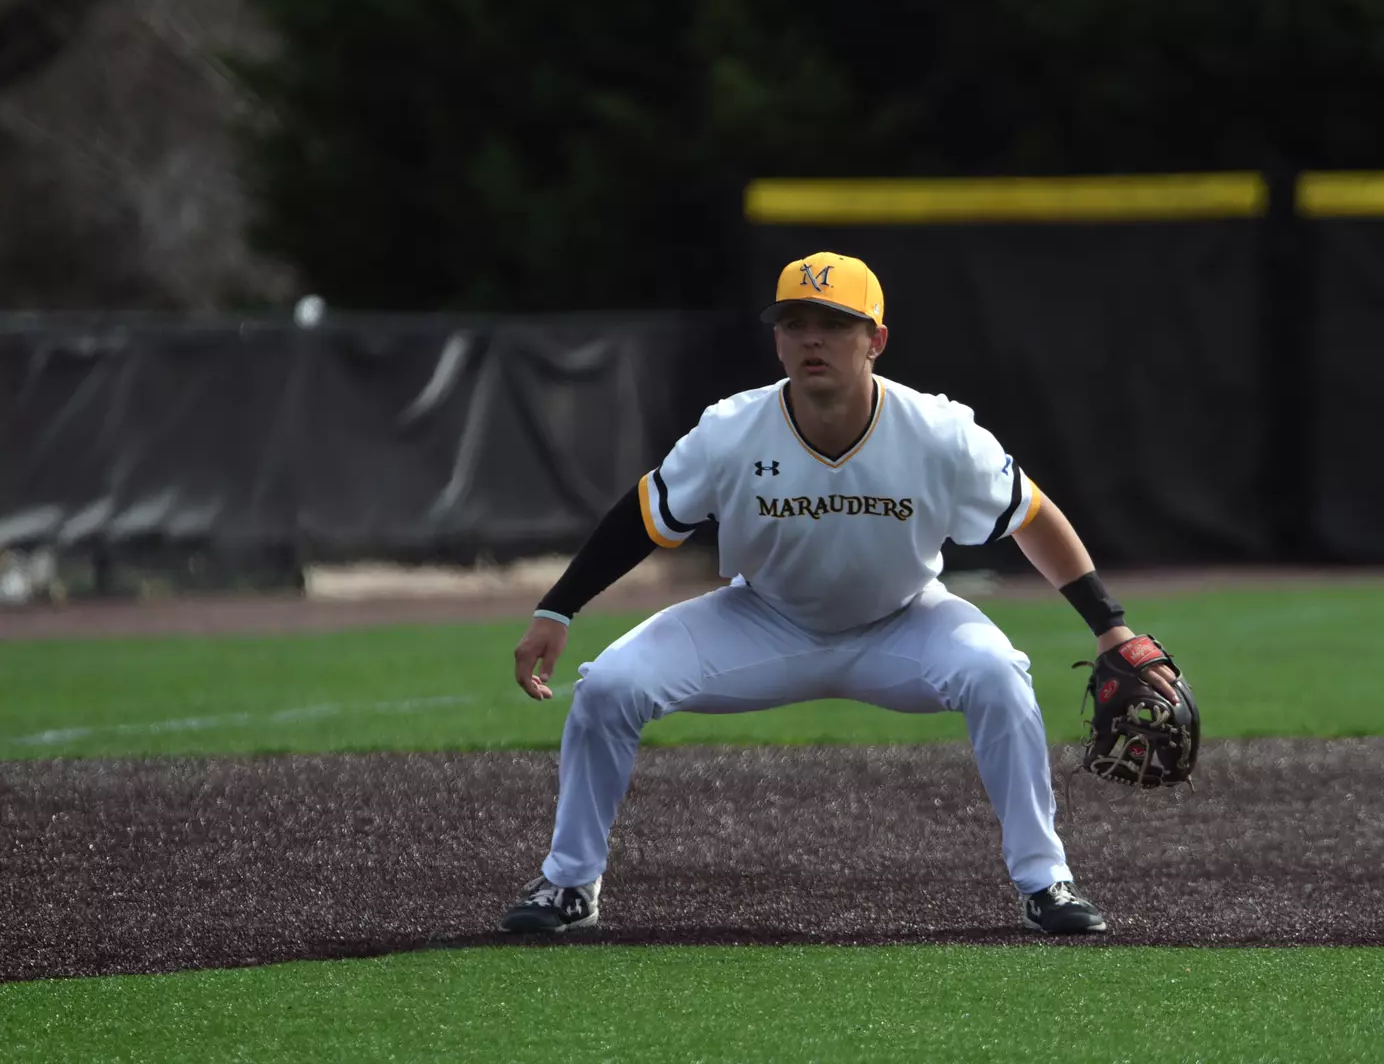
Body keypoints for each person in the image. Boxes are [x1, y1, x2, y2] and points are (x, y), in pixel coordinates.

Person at [500, 252, 1181, 936]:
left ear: (875, 340)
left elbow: (1031, 516)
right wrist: (558, 607)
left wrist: (1109, 624)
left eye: (834, 322)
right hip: (761, 620)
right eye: (794, 323)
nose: (811, 339)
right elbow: (642, 517)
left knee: (998, 674)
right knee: (610, 686)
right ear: (777, 340)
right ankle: (569, 882)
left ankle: (1046, 881)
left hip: (906, 622)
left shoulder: (939, 432)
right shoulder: (732, 430)